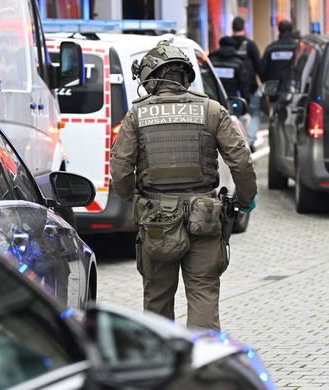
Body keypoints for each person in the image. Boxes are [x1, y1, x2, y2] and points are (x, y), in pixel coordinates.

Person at [110, 40, 257, 331]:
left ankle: (162, 365)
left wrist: (133, 199)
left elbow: (121, 169)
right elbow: (240, 161)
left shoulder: (136, 115)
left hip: (156, 221)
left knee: (157, 298)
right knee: (203, 292)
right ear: (186, 76)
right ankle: (203, 365)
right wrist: (246, 199)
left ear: (150, 78)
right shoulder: (212, 110)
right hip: (204, 219)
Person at [229, 16, 262, 151]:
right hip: (250, 86)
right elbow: (258, 65)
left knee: (238, 114)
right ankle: (251, 138)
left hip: (232, 87)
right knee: (255, 112)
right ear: (244, 27)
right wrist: (264, 84)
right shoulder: (250, 45)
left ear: (232, 27)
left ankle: (240, 140)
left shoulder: (228, 44)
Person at [260, 19, 299, 97]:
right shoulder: (296, 48)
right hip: (292, 91)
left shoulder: (272, 48)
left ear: (279, 30)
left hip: (274, 91)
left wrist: (268, 86)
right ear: (291, 30)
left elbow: (263, 69)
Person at [209, 36, 251, 103]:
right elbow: (244, 85)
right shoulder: (238, 63)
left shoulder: (211, 61)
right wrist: (246, 102)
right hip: (232, 100)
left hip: (213, 99)